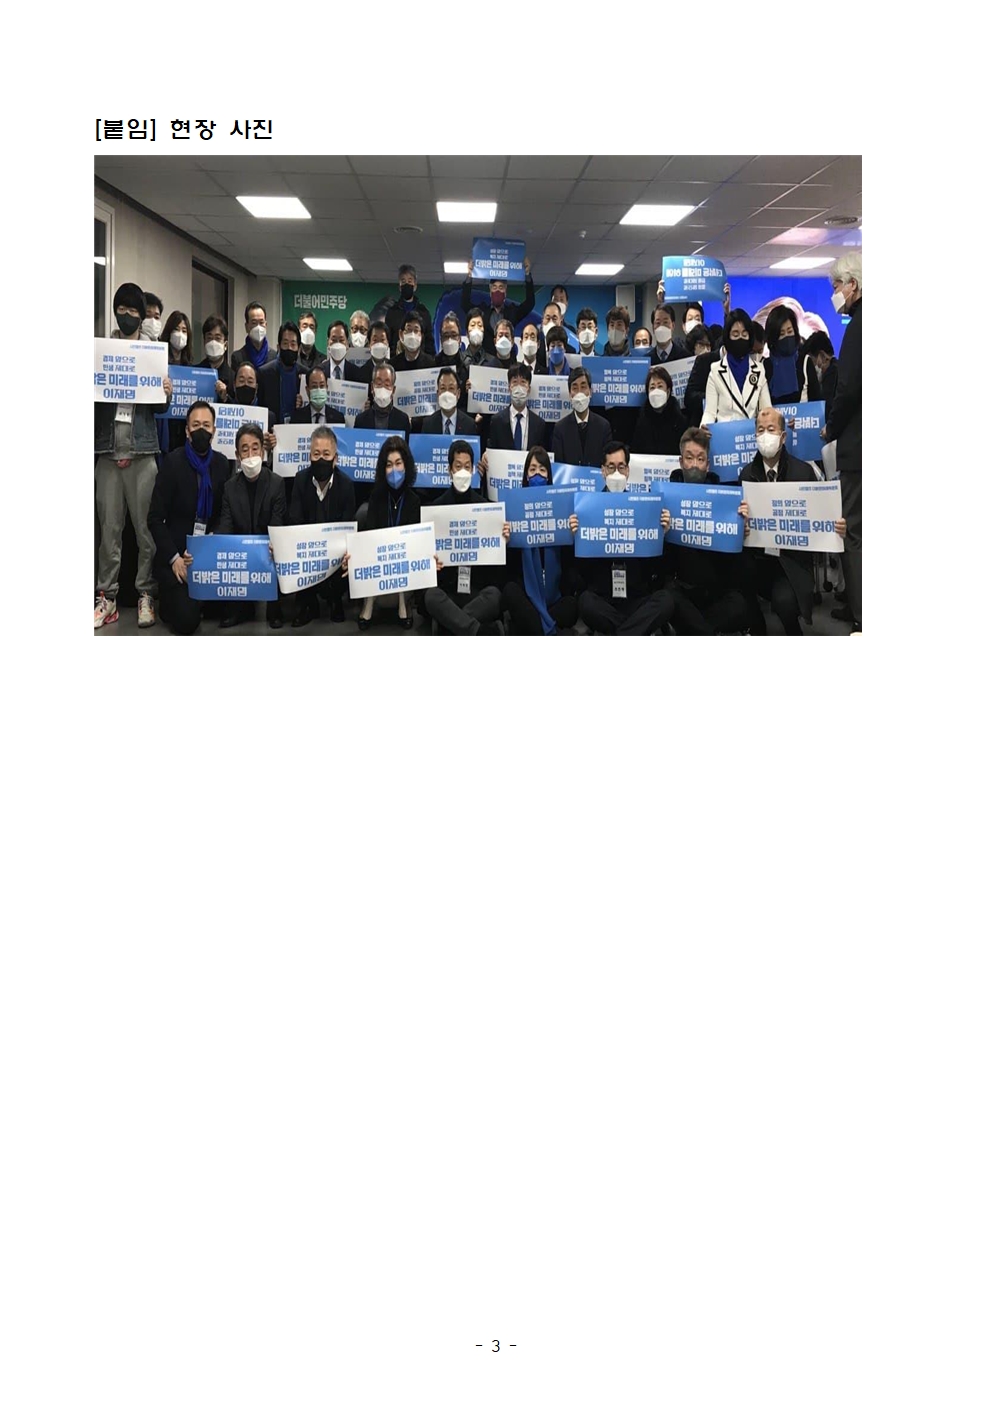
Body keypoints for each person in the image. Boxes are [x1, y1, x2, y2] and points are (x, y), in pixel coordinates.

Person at [94, 281, 173, 630]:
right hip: (107, 452)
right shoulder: (101, 351)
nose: (126, 315)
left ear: (142, 315)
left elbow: (161, 408)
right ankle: (106, 596)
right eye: (121, 310)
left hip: (142, 453)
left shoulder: (152, 354)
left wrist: (166, 392)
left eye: (133, 311)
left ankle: (145, 593)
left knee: (145, 532)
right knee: (108, 531)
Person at [739, 407, 846, 635]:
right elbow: (740, 523)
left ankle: (793, 631)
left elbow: (821, 517)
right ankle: (757, 629)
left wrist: (835, 527)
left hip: (792, 561)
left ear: (783, 436)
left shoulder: (803, 472)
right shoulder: (746, 475)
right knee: (737, 578)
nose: (765, 435)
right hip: (759, 558)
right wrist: (742, 524)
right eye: (760, 430)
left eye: (771, 429)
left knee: (785, 602)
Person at [568, 441, 675, 636]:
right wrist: (576, 539)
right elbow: (581, 573)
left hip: (636, 598)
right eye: (611, 467)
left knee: (666, 600)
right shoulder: (587, 508)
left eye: (621, 467)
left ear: (628, 471)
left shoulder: (643, 508)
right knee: (585, 602)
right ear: (603, 471)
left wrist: (662, 536)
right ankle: (635, 631)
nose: (616, 473)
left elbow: (654, 570)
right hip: (603, 598)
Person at [147, 400, 232, 636]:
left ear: (214, 430)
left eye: (206, 425)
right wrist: (174, 558)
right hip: (178, 559)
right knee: (186, 622)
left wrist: (212, 540)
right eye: (195, 425)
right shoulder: (173, 463)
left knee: (232, 609)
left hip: (208, 554)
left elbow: (225, 513)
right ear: (186, 430)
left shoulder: (222, 464)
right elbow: (155, 518)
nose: (201, 430)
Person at [662, 428, 748, 635]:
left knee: (739, 604)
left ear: (707, 465)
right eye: (689, 458)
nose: (694, 465)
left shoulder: (725, 500)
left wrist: (739, 533)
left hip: (714, 590)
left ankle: (695, 632)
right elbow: (659, 565)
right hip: (681, 588)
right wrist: (662, 535)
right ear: (681, 461)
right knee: (667, 598)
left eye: (700, 459)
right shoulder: (665, 497)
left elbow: (734, 568)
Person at [422, 439, 510, 635]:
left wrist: (503, 539)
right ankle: (477, 630)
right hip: (448, 590)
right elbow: (426, 561)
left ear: (473, 471)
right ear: (450, 470)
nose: (463, 471)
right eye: (458, 466)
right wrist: (431, 563)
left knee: (495, 595)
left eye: (467, 467)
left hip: (476, 591)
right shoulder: (436, 509)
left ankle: (448, 626)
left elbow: (495, 566)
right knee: (431, 596)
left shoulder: (486, 508)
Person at [821, 252, 862, 632]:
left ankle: (861, 612)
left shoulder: (857, 327)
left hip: (857, 449)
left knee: (853, 531)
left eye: (836, 286)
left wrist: (830, 429)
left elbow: (847, 389)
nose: (834, 293)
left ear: (853, 285)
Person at [500, 446, 580, 635]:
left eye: (542, 470)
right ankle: (551, 632)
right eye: (533, 469)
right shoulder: (513, 510)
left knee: (572, 605)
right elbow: (510, 570)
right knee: (510, 591)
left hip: (553, 598)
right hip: (526, 597)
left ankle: (531, 629)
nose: (537, 474)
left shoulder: (561, 510)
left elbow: (569, 566)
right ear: (526, 475)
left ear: (549, 476)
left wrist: (571, 535)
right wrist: (507, 542)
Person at [347, 436, 422, 630]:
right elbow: (370, 537)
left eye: (398, 463)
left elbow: (414, 544)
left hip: (403, 573)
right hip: (378, 570)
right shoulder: (376, 497)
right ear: (383, 469)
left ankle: (403, 605)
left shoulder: (414, 500)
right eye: (389, 465)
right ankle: (368, 604)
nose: (394, 470)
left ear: (406, 466)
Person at [217, 422, 287, 630]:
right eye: (245, 450)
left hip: (269, 551)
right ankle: (239, 609)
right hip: (241, 552)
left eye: (255, 448)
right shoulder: (229, 487)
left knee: (280, 549)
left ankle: (275, 609)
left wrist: (274, 545)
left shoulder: (276, 483)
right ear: (237, 455)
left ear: (263, 452)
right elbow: (226, 527)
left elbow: (277, 524)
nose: (250, 455)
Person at [288, 426, 357, 628]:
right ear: (309, 456)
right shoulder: (300, 480)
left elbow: (348, 528)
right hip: (307, 550)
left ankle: (336, 600)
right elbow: (295, 521)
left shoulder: (346, 485)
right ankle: (308, 604)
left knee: (349, 556)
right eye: (316, 454)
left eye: (326, 454)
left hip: (335, 553)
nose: (321, 459)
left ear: (335, 458)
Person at [701, 310, 771, 425]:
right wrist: (704, 428)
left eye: (744, 334)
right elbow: (709, 412)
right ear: (727, 337)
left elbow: (767, 410)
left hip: (751, 433)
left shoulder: (759, 370)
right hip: (725, 434)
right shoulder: (715, 370)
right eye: (735, 335)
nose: (740, 338)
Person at [461, 255, 536, 355]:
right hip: (485, 360)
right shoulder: (481, 312)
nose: (497, 291)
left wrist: (527, 275)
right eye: (494, 287)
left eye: (501, 287)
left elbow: (530, 303)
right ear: (490, 290)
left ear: (505, 291)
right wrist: (469, 276)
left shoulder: (513, 312)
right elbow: (465, 303)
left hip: (507, 359)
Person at [552, 367, 612, 466]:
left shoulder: (603, 427)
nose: (579, 393)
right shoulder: (560, 429)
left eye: (583, 387)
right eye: (575, 388)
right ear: (570, 394)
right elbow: (559, 466)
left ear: (590, 392)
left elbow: (607, 463)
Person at [484, 364, 550, 454]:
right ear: (509, 388)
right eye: (515, 382)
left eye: (523, 382)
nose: (519, 388)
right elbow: (492, 451)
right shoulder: (496, 421)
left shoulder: (539, 424)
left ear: (529, 389)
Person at [763, 305, 820, 407]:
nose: (787, 336)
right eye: (781, 334)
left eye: (790, 331)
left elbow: (817, 402)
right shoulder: (765, 366)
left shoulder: (804, 362)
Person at [631, 365, 688, 456]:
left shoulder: (680, 422)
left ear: (668, 391)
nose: (656, 391)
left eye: (660, 386)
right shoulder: (640, 422)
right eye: (652, 387)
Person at [382, 264, 436, 355]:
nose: (406, 284)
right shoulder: (392, 312)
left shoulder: (424, 312)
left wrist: (429, 360)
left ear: (415, 286)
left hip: (420, 360)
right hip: (397, 359)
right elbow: (388, 340)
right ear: (399, 287)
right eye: (403, 281)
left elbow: (429, 342)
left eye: (410, 281)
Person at [257, 321, 303, 425]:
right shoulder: (264, 373)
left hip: (297, 430)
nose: (289, 348)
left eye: (293, 344)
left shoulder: (305, 374)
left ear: (299, 349)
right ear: (278, 347)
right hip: (271, 429)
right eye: (285, 344)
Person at [161, 310, 194, 452]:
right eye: (176, 329)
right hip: (164, 427)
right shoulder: (160, 363)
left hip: (183, 430)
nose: (180, 334)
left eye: (184, 330)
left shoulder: (190, 368)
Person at [418, 367, 477, 437]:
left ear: (458, 393)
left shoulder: (470, 424)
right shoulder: (428, 424)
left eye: (451, 388)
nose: (447, 393)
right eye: (443, 388)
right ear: (438, 394)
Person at [355, 363, 411, 434]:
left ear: (393, 390)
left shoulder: (403, 420)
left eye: (387, 384)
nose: (382, 388)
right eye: (379, 383)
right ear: (372, 387)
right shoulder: (360, 420)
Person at [230, 301, 276, 373]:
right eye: (254, 323)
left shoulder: (274, 357)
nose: (258, 327)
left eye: (261, 322)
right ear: (246, 327)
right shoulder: (238, 357)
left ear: (266, 325)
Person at [801, 331, 838, 417]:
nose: (809, 367)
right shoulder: (839, 369)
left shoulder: (832, 377)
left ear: (822, 356)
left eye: (810, 361)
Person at [199, 315, 234, 401]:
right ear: (204, 342)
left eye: (218, 338)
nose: (213, 343)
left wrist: (225, 398)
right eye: (209, 338)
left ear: (225, 345)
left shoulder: (233, 379)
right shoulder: (195, 372)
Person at [296, 310, 322, 376]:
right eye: (304, 326)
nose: (308, 330)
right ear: (298, 330)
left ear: (315, 332)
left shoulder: (323, 361)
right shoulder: (292, 359)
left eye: (311, 327)